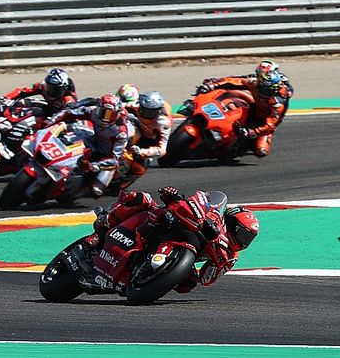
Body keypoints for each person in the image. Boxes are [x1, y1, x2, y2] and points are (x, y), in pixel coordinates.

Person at [92, 187, 259, 292]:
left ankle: (143, 276)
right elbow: (199, 201)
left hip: (182, 252)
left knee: (188, 284)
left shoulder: (230, 255)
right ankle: (105, 223)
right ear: (230, 221)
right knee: (143, 200)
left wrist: (217, 265)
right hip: (167, 225)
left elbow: (207, 279)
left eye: (247, 238)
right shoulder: (213, 215)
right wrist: (174, 196)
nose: (242, 241)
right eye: (242, 234)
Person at [196, 60, 293, 157]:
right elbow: (234, 80)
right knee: (228, 92)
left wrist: (252, 132)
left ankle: (236, 147)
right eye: (262, 87)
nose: (263, 91)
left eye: (267, 90)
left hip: (263, 121)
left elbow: (270, 125)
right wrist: (212, 84)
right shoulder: (256, 81)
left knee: (261, 151)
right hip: (253, 104)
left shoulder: (278, 103)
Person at [45, 93, 134, 197]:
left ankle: (82, 188)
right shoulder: (94, 113)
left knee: (96, 190)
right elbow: (68, 112)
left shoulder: (120, 132)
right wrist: (50, 120)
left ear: (117, 115)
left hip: (107, 157)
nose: (105, 118)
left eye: (110, 115)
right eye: (103, 113)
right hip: (94, 141)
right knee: (72, 133)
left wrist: (94, 166)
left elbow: (114, 160)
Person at [123, 90, 173, 187]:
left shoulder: (164, 122)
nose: (148, 114)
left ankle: (119, 185)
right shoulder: (135, 104)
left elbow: (162, 150)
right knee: (130, 133)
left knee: (139, 170)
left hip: (148, 142)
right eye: (145, 110)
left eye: (152, 112)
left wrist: (142, 152)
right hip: (134, 127)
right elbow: (116, 104)